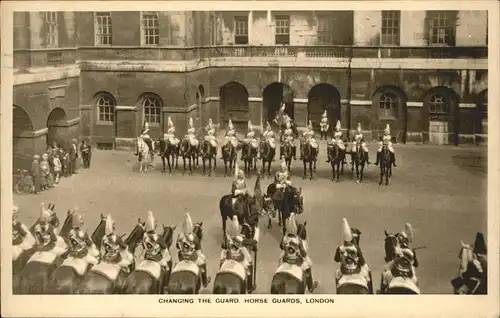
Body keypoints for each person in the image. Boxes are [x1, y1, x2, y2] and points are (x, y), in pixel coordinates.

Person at [279, 213, 317, 293]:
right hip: (297, 261)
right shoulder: (298, 240)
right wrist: (307, 259)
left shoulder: (285, 238)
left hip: (286, 259)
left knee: (279, 262)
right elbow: (303, 252)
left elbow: (281, 247)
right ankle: (310, 287)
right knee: (308, 267)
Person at [220, 215, 256, 292]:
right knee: (249, 263)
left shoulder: (227, 237)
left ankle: (220, 271)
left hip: (229, 257)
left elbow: (223, 246)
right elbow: (252, 242)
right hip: (239, 258)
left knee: (222, 260)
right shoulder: (241, 239)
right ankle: (249, 287)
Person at [333, 218, 372, 291]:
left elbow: (336, 259)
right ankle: (370, 293)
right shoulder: (356, 248)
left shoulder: (340, 248)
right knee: (367, 271)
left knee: (337, 274)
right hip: (356, 267)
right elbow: (362, 262)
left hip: (344, 269)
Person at [176, 212, 210, 288]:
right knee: (203, 263)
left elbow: (177, 247)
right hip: (192, 257)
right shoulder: (194, 237)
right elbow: (198, 250)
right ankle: (204, 282)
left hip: (181, 257)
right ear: (191, 226)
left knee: (175, 267)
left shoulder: (180, 235)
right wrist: (201, 256)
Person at [141, 211, 172, 280]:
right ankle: (166, 285)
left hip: (147, 257)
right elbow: (164, 246)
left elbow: (143, 246)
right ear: (154, 226)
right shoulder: (158, 237)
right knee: (167, 266)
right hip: (156, 258)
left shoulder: (144, 236)